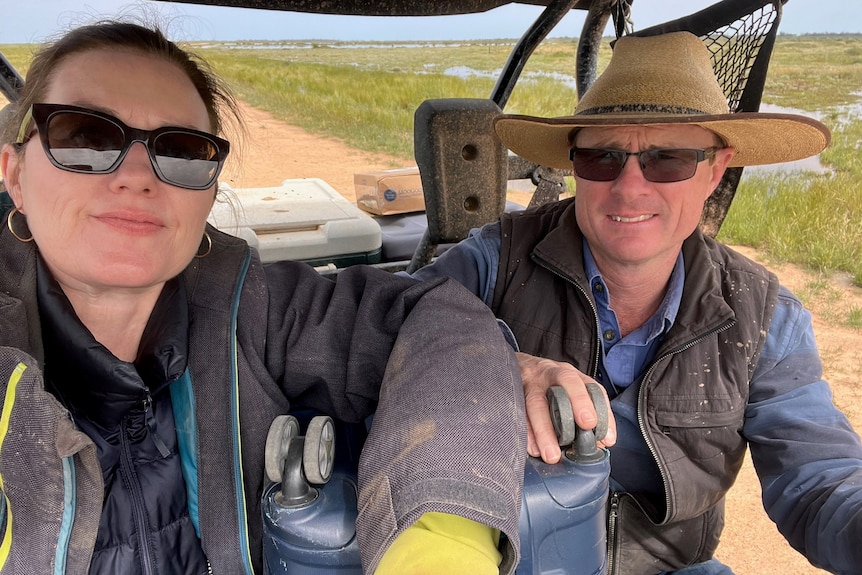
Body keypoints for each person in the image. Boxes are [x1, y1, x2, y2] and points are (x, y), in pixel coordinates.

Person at [0, 20, 527, 575]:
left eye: (180, 151)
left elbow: (433, 317)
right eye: (84, 138)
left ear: (208, 192)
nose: (136, 176)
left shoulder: (246, 304)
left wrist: (441, 546)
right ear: (14, 174)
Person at [410, 31, 862, 574]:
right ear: (574, 165)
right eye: (601, 158)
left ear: (716, 170)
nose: (629, 186)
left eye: (667, 159)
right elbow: (384, 334)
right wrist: (494, 364)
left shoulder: (764, 319)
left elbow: (818, 478)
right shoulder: (494, 263)